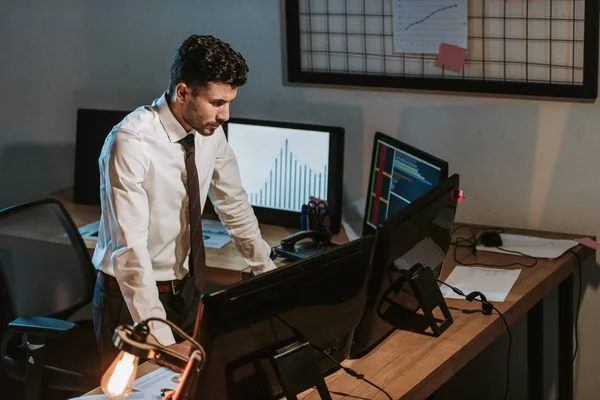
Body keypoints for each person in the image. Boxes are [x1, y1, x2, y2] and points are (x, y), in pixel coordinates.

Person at [91, 34, 277, 368]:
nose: (226, 116)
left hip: (186, 289)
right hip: (130, 297)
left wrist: (269, 273)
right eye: (217, 102)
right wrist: (162, 341)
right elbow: (129, 251)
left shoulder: (208, 131)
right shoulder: (131, 143)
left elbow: (233, 204)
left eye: (229, 102)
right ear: (182, 92)